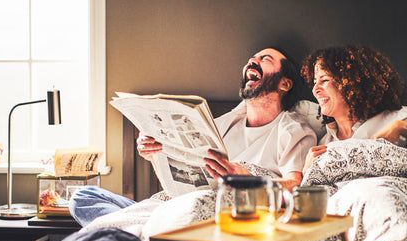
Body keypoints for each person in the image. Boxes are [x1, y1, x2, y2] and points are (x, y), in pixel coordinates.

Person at [70, 47, 319, 226]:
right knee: (82, 197)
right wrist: (155, 153)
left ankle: (126, 233)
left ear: (285, 84)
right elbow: (178, 182)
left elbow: (294, 185)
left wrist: (246, 176)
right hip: (174, 202)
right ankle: (133, 230)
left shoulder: (293, 131)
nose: (252, 62)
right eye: (251, 59)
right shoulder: (220, 126)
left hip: (216, 209)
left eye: (265, 59)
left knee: (118, 224)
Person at [301, 44, 407, 172]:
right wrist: (307, 170)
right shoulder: (324, 144)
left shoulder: (396, 119)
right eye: (314, 82)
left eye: (324, 80)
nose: (315, 89)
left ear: (351, 83)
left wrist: (398, 128)